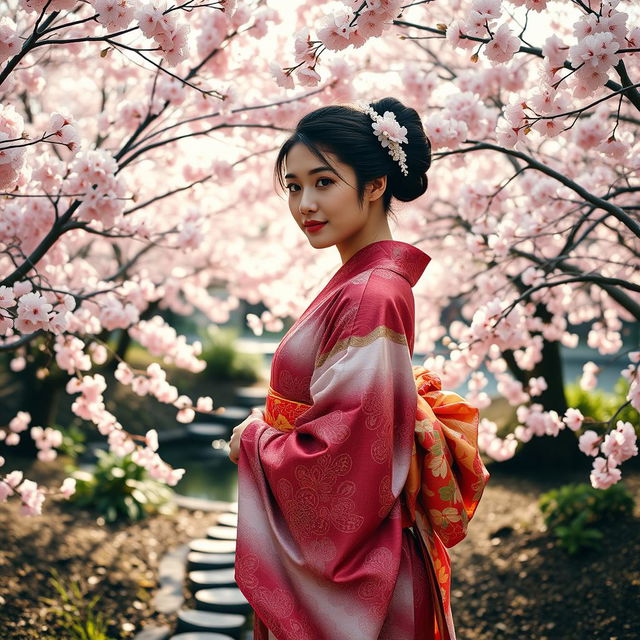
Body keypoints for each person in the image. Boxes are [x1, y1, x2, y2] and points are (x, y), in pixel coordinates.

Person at [228, 97, 490, 640]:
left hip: (369, 566)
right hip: (372, 550)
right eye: (294, 186)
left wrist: (254, 440)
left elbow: (350, 450)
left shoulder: (372, 293)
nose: (305, 203)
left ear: (374, 186)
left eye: (323, 182)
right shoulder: (362, 283)